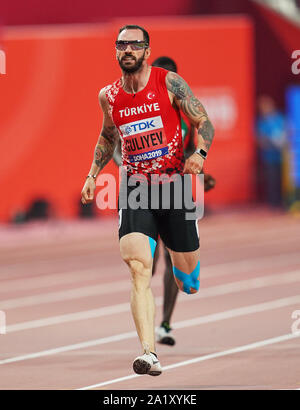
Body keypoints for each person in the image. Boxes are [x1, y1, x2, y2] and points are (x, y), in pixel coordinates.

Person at [81, 25, 215, 376]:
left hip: (173, 187)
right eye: (121, 45)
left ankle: (184, 259)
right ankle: (148, 353)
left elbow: (204, 121)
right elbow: (108, 135)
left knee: (188, 281)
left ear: (146, 50)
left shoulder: (169, 82)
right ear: (116, 52)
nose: (127, 50)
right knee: (139, 268)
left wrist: (199, 153)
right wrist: (93, 175)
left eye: (134, 45)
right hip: (136, 188)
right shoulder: (108, 96)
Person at [256, 95, 286, 207]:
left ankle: (284, 201)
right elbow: (260, 140)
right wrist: (270, 141)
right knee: (272, 180)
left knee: (283, 180)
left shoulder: (280, 118)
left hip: (283, 157)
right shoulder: (261, 122)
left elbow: (288, 132)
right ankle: (273, 203)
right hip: (269, 157)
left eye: (266, 106)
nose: (264, 109)